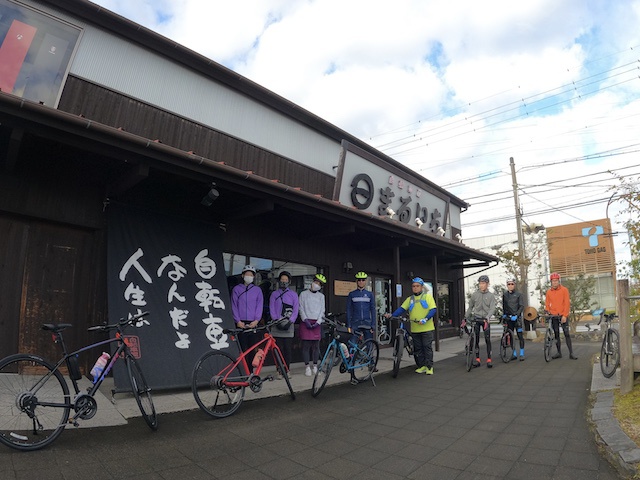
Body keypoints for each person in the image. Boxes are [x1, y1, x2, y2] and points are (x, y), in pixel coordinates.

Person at [386, 277, 437, 374]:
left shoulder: (428, 297)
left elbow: (433, 309)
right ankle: (422, 366)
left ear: (422, 287)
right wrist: (392, 315)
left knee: (427, 347)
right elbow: (401, 309)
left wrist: (426, 319)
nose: (415, 288)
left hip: (427, 328)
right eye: (413, 286)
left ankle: (429, 367)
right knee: (418, 348)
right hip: (415, 328)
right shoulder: (410, 299)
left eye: (417, 286)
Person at [231, 265, 264, 364]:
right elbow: (234, 305)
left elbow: (259, 306)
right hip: (240, 323)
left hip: (253, 323)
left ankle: (250, 373)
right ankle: (242, 371)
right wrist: (237, 320)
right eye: (247, 274)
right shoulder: (236, 289)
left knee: (252, 348)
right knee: (242, 349)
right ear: (242, 275)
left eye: (251, 275)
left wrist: (256, 320)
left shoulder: (257, 290)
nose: (249, 276)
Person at [269, 271, 299, 378]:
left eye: (286, 280)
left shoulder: (293, 294)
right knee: (277, 349)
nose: (284, 281)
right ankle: (279, 370)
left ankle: (287, 369)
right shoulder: (274, 294)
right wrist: (275, 320)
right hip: (276, 324)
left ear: (289, 281)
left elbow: (296, 309)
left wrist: (291, 321)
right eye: (282, 279)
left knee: (287, 349)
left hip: (288, 325)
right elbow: (271, 308)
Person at [298, 273, 327, 376]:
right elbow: (300, 308)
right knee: (306, 346)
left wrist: (318, 322)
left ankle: (315, 366)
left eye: (319, 284)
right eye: (316, 282)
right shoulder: (303, 294)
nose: (316, 284)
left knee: (316, 346)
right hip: (305, 321)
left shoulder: (321, 296)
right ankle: (307, 367)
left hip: (316, 322)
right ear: (312, 282)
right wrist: (305, 319)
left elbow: (322, 310)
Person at [465, 274, 495, 368]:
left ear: (487, 284)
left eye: (483, 283)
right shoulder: (475, 295)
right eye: (480, 283)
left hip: (485, 319)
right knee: (476, 339)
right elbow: (470, 307)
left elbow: (492, 308)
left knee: (487, 339)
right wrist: (465, 317)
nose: (481, 285)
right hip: (477, 318)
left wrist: (488, 317)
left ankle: (489, 359)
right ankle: (477, 359)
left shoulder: (491, 296)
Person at [544, 272, 577, 360]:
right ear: (551, 282)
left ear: (559, 281)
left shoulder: (564, 290)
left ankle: (571, 353)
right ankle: (559, 352)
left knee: (566, 333)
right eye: (553, 281)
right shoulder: (549, 292)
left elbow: (567, 303)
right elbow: (547, 303)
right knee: (556, 334)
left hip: (562, 314)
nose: (554, 282)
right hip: (553, 315)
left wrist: (565, 315)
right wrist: (547, 311)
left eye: (556, 281)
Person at [346, 271, 376, 341]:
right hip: (355, 322)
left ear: (365, 281)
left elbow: (373, 309)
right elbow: (348, 310)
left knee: (369, 343)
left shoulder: (370, 294)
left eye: (363, 280)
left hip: (367, 322)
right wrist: (349, 324)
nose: (361, 282)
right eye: (359, 280)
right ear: (356, 281)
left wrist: (373, 324)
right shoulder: (351, 294)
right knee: (352, 344)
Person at [502, 277, 525, 361]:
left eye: (512, 284)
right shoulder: (505, 295)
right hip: (509, 318)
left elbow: (521, 306)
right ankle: (514, 353)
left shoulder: (519, 294)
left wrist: (517, 315)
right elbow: (504, 306)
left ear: (514, 285)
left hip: (517, 318)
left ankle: (522, 353)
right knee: (511, 336)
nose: (510, 286)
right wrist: (504, 314)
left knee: (520, 336)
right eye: (509, 284)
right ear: (507, 285)